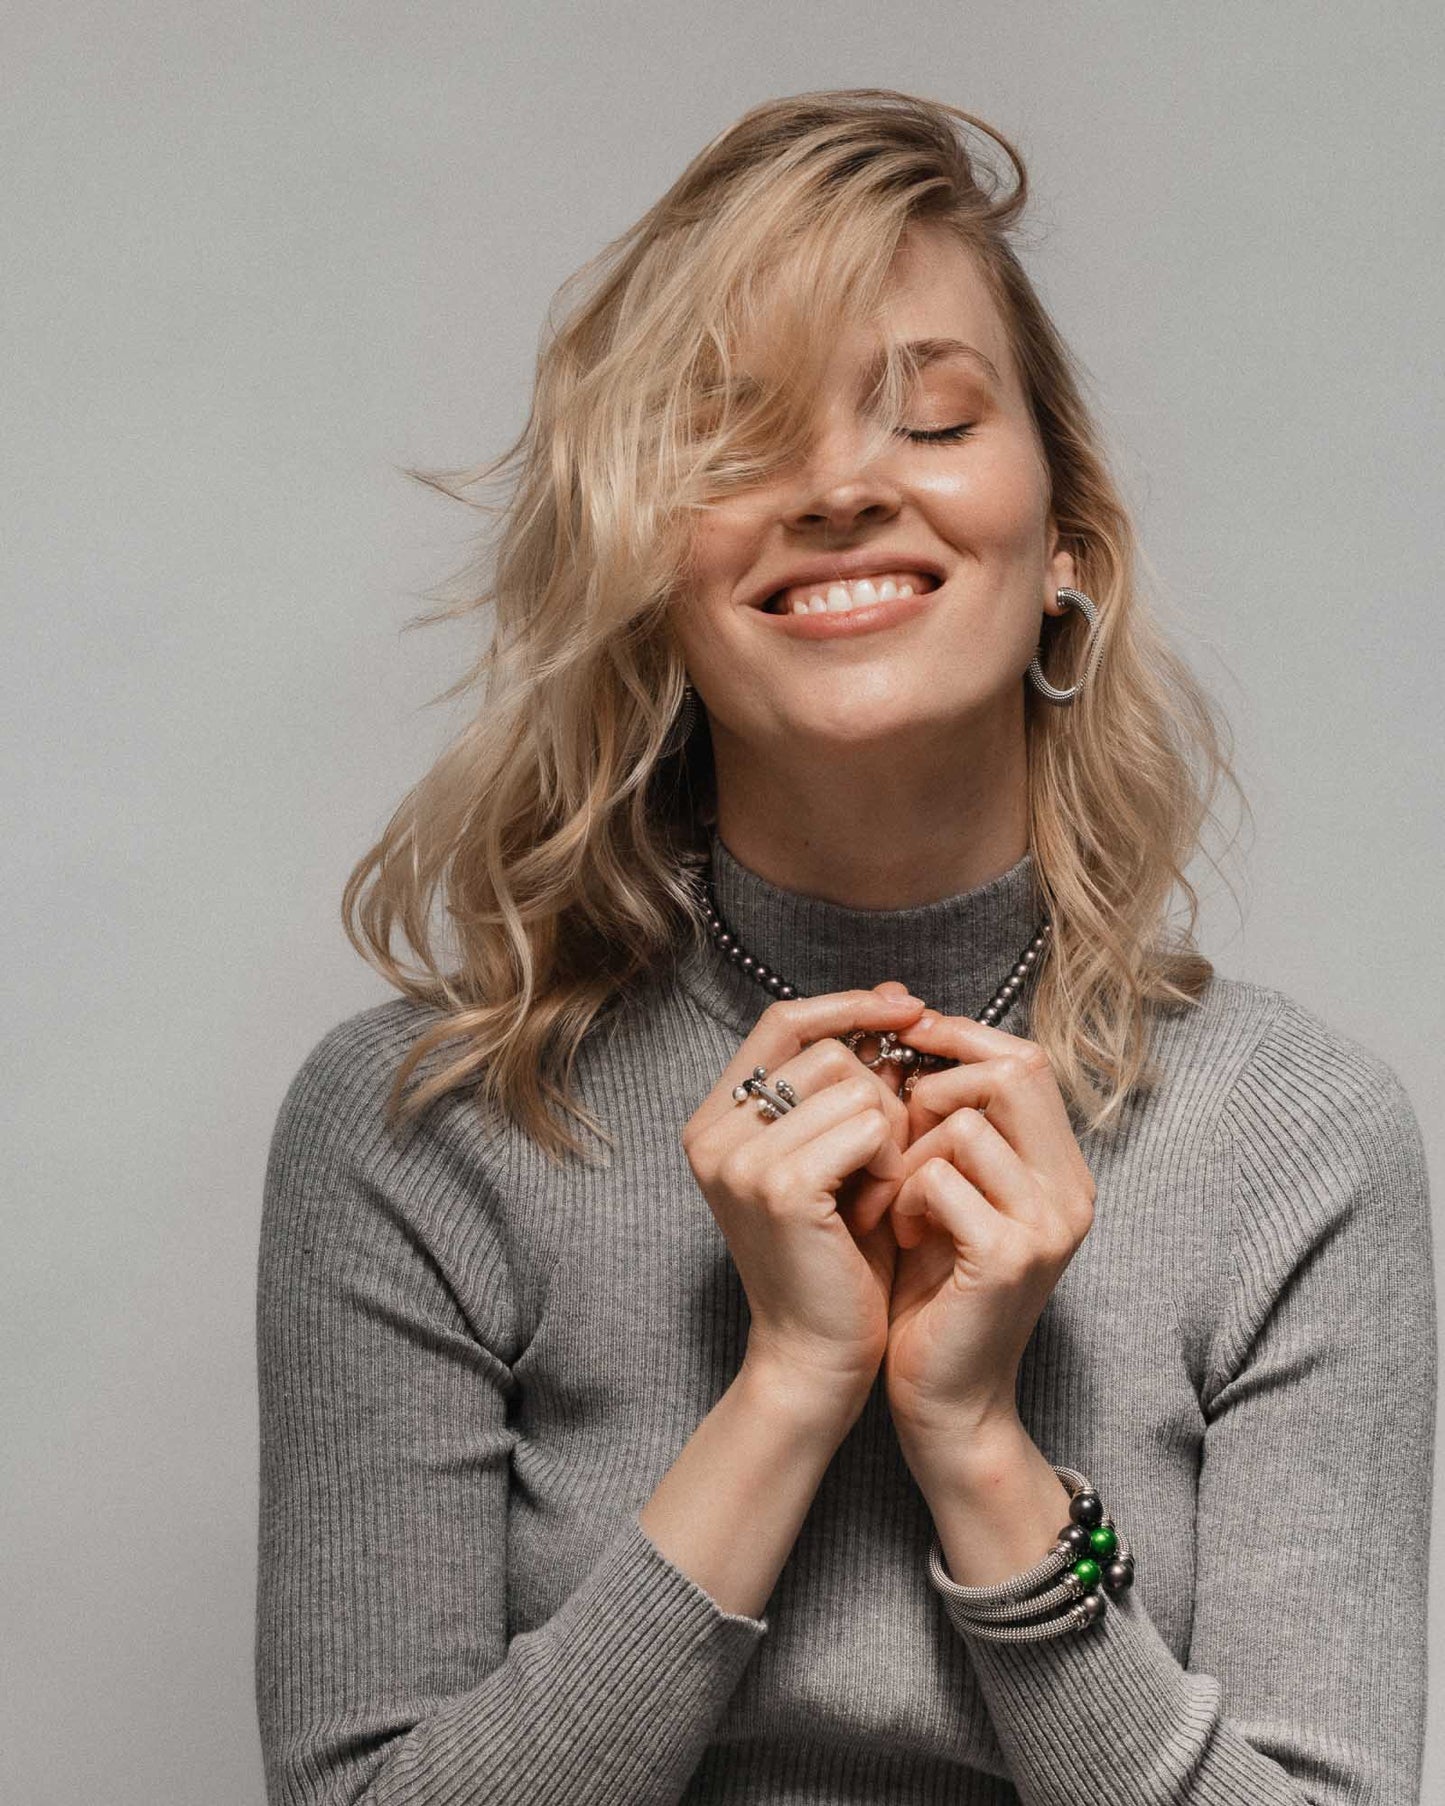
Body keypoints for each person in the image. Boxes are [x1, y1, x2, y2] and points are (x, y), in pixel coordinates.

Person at [253, 90, 1436, 1804]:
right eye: (738, 440)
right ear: (647, 568)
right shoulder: (426, 1126)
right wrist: (791, 1385)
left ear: (1065, 544)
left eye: (930, 417)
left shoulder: (1295, 1138)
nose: (839, 486)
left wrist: (977, 1447)